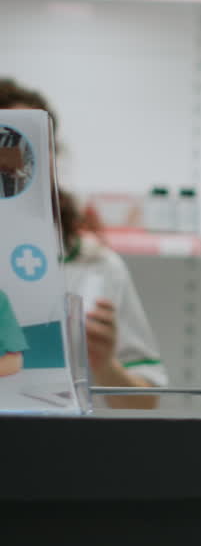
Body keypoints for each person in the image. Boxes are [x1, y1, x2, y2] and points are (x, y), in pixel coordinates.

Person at [0, 78, 167, 408]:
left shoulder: (94, 265)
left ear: (51, 157)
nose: (10, 164)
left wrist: (105, 366)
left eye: (27, 144)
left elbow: (146, 401)